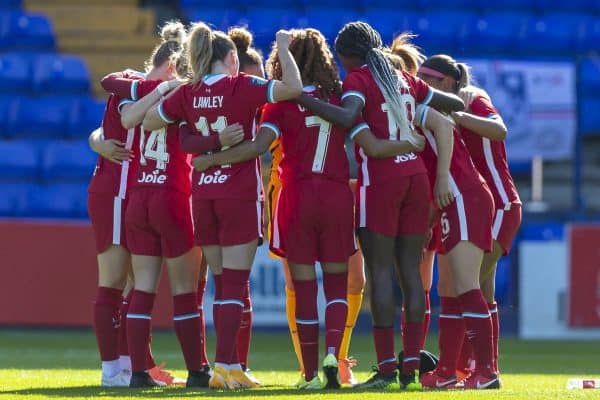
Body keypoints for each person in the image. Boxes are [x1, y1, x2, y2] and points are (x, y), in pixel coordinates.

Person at [295, 21, 464, 389]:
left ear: (348, 55)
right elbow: (454, 103)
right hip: (416, 180)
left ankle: (387, 370)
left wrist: (300, 97)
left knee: (381, 275)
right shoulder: (402, 79)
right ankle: (411, 372)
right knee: (411, 275)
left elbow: (346, 116)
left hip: (382, 182)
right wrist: (440, 107)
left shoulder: (359, 78)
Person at [142, 22, 303, 389]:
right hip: (239, 194)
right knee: (234, 284)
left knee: (222, 285)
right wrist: (282, 46)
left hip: (204, 194)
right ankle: (227, 366)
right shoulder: (242, 86)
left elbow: (151, 120)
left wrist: (200, 137)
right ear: (233, 58)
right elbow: (292, 88)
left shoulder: (188, 92)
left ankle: (230, 366)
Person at [87, 22, 184, 387]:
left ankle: (133, 365)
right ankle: (112, 369)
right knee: (113, 282)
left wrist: (96, 139)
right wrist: (99, 142)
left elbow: (102, 129)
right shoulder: (134, 83)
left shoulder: (153, 89)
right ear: (174, 66)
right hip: (115, 190)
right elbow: (122, 118)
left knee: (135, 285)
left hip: (137, 193)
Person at [418, 54, 521, 381]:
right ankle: (459, 368)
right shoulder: (440, 104)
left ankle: (478, 369)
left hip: (497, 202)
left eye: (429, 79)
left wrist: (457, 116)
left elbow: (499, 130)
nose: (423, 85)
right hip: (468, 201)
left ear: (446, 82)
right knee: (466, 286)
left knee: (468, 284)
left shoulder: (471, 97)